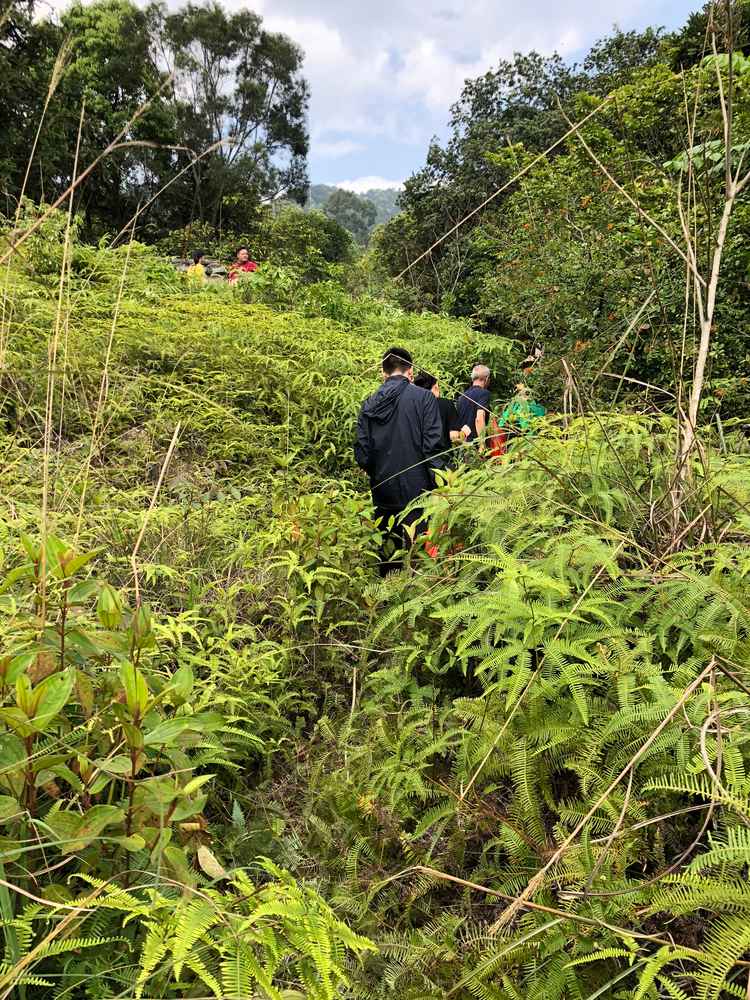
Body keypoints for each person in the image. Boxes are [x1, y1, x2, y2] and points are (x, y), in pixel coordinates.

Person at [355, 347, 444, 576]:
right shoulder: (424, 398)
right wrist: (443, 485)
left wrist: (377, 471)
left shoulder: (369, 404)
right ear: (410, 371)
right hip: (419, 491)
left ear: (383, 373)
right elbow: (432, 447)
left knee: (388, 557)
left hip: (383, 490)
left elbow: (362, 454)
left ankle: (387, 603)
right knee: (418, 556)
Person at [414, 372, 469, 457]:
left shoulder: (414, 406)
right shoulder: (446, 404)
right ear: (435, 387)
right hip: (442, 459)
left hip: (419, 459)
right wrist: (464, 433)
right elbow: (453, 436)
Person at [456, 364, 492, 446]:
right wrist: (482, 444)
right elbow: (479, 418)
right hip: (475, 444)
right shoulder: (484, 393)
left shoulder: (461, 397)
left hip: (463, 444)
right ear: (486, 379)